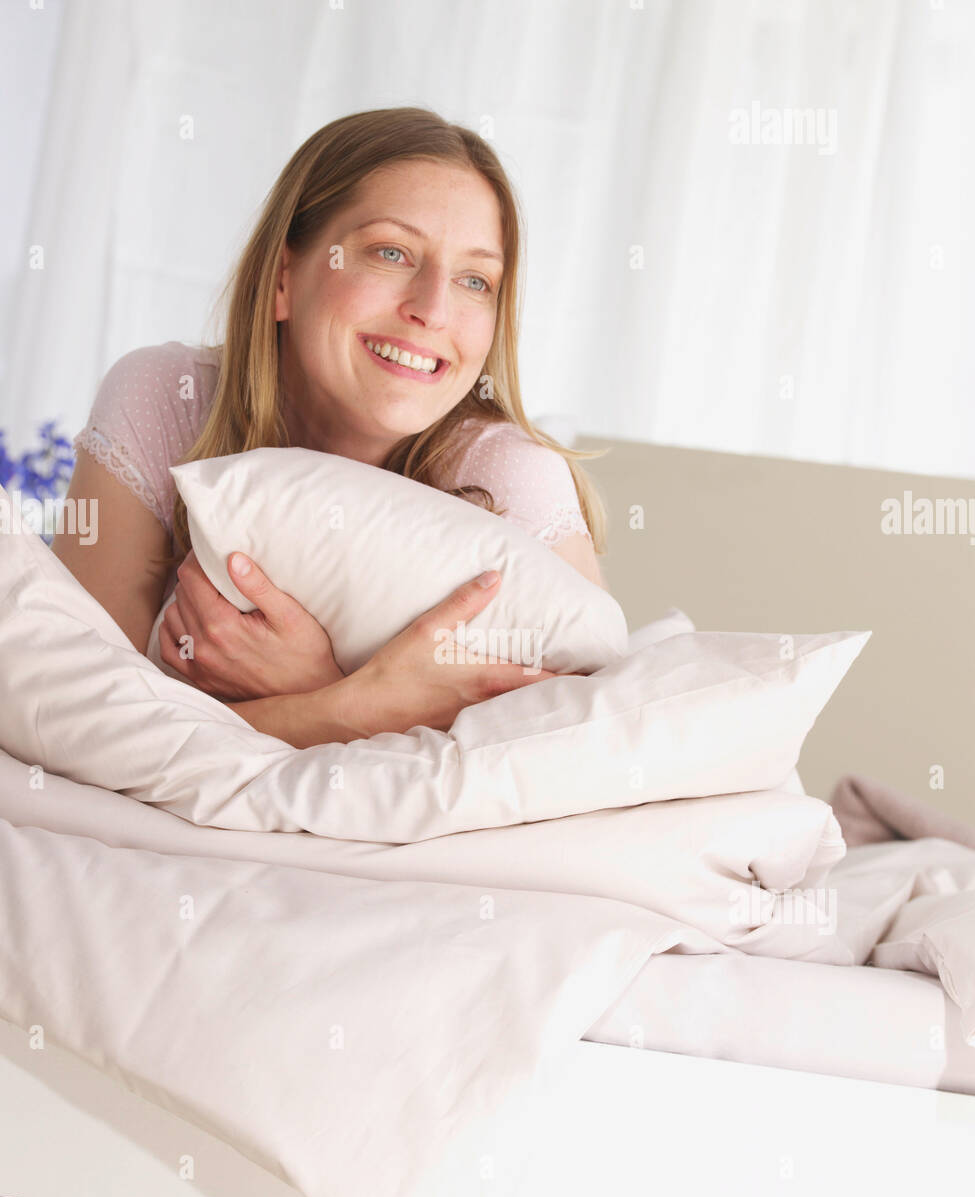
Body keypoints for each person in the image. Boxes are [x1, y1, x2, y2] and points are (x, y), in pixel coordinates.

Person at [53, 107, 611, 748]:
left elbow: (574, 762)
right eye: (392, 253)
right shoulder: (162, 397)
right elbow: (80, 719)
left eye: (475, 280)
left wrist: (325, 689)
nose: (432, 309)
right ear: (283, 278)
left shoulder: (512, 478)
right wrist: (349, 707)